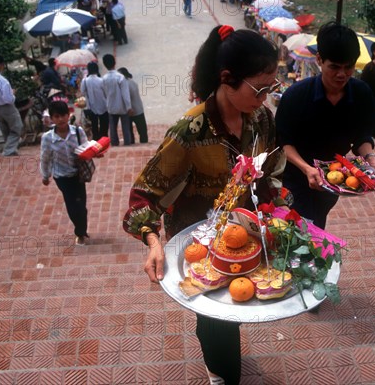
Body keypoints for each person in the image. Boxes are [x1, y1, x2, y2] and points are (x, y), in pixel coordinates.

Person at [122, 25, 287, 385]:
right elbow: (144, 196)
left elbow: (268, 172)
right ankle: (221, 373)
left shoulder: (261, 119)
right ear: (227, 79)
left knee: (240, 301)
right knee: (214, 318)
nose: (265, 97)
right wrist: (152, 243)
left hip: (245, 232)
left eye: (270, 88)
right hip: (199, 244)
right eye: (259, 89)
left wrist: (276, 208)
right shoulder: (190, 131)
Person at [275, 22, 375, 229]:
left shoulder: (362, 94)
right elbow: (284, 142)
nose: (342, 74)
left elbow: (361, 136)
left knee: (318, 221)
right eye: (334, 67)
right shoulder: (296, 96)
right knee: (300, 227)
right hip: (296, 177)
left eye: (348, 67)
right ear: (320, 60)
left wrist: (370, 158)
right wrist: (306, 169)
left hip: (333, 179)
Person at [40, 100, 90, 246]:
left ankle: (82, 229)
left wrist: (95, 153)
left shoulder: (78, 132)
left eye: (63, 115)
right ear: (52, 118)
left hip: (78, 174)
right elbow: (45, 158)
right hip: (61, 177)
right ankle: (80, 232)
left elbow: (86, 147)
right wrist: (45, 175)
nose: (60, 119)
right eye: (56, 116)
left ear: (69, 115)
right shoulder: (48, 138)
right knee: (72, 206)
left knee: (81, 205)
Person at [102, 54, 133, 145]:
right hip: (122, 106)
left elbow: (104, 93)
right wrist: (129, 107)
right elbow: (125, 94)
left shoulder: (104, 78)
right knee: (125, 127)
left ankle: (114, 143)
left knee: (112, 127)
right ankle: (127, 143)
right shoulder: (120, 77)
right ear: (114, 63)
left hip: (111, 106)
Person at [117, 67, 148, 144]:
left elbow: (125, 98)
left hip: (129, 110)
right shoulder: (133, 82)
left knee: (129, 132)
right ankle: (144, 143)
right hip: (138, 109)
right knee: (142, 131)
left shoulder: (124, 84)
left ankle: (132, 143)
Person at [80, 62, 109, 140]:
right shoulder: (101, 80)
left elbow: (82, 92)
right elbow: (106, 93)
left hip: (91, 106)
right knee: (104, 125)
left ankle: (96, 139)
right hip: (103, 105)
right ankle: (104, 139)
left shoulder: (85, 81)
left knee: (94, 125)